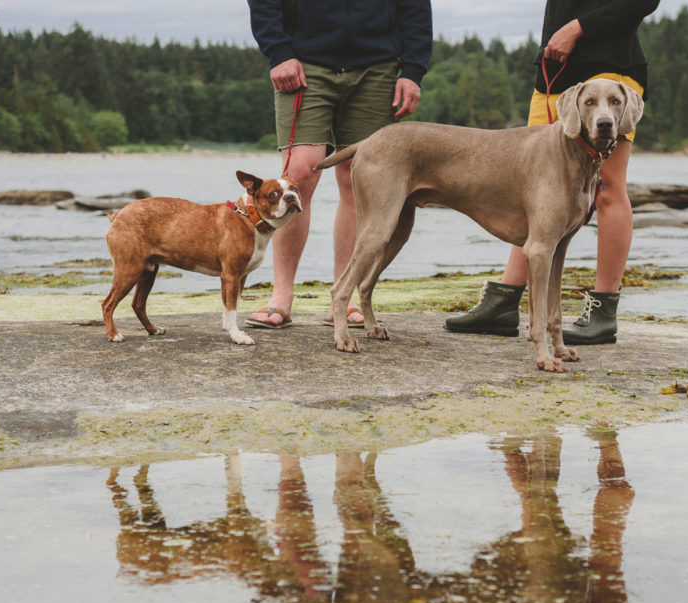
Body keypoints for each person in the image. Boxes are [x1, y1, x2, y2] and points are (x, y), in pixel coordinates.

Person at [445, 0, 659, 345]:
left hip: (608, 67)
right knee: (533, 190)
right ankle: (505, 299)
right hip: (555, 73)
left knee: (606, 189)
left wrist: (578, 27)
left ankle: (603, 310)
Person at [246, 0, 433, 329]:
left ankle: (343, 297)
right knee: (299, 174)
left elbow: (415, 7)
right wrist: (277, 50)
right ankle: (281, 296)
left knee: (358, 180)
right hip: (303, 62)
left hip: (378, 66)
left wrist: (413, 71)